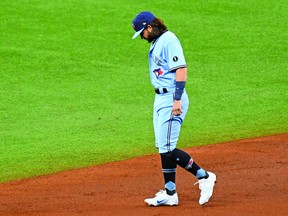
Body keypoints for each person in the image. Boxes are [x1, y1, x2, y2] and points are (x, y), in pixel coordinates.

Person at [131, 11, 217, 206]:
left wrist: (177, 100)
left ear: (150, 27)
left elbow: (181, 69)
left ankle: (204, 177)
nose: (142, 37)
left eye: (142, 33)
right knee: (164, 147)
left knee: (168, 148)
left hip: (171, 98)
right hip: (160, 98)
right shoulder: (157, 42)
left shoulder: (169, 40)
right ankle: (170, 193)